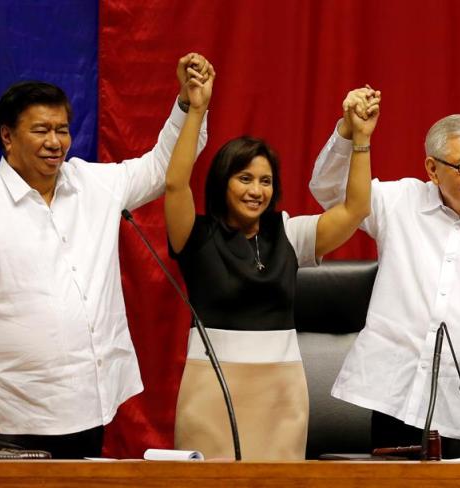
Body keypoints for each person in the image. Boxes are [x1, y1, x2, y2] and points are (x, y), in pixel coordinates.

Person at [0, 53, 212, 459]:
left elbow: (161, 167)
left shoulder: (93, 184)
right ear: (7, 136)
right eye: (41, 130)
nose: (55, 142)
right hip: (7, 419)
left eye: (62, 130)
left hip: (87, 410)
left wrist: (188, 104)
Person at [309, 112, 460, 458]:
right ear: (432, 169)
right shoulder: (398, 203)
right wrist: (347, 133)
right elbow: (330, 191)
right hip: (396, 401)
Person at [164, 72, 381, 459]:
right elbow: (176, 185)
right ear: (222, 183)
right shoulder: (193, 235)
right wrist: (197, 109)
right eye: (244, 178)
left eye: (265, 180)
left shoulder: (289, 233)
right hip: (212, 390)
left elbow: (355, 209)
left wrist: (360, 139)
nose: (256, 190)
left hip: (282, 394)